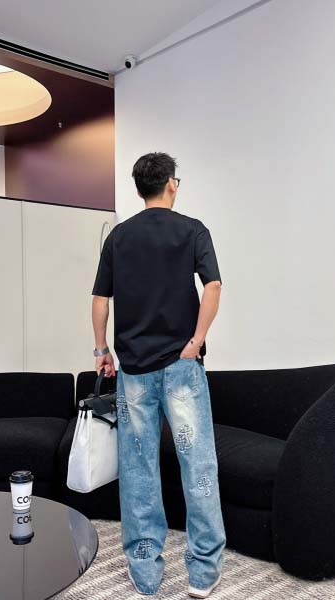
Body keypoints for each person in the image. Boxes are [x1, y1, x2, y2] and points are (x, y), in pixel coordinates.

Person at [91, 152, 226, 597]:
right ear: (171, 184)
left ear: (138, 189)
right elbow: (213, 285)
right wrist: (196, 341)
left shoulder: (120, 236)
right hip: (182, 367)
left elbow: (100, 299)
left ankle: (146, 571)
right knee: (198, 465)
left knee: (138, 468)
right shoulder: (192, 230)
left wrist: (102, 350)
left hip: (134, 368)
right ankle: (204, 572)